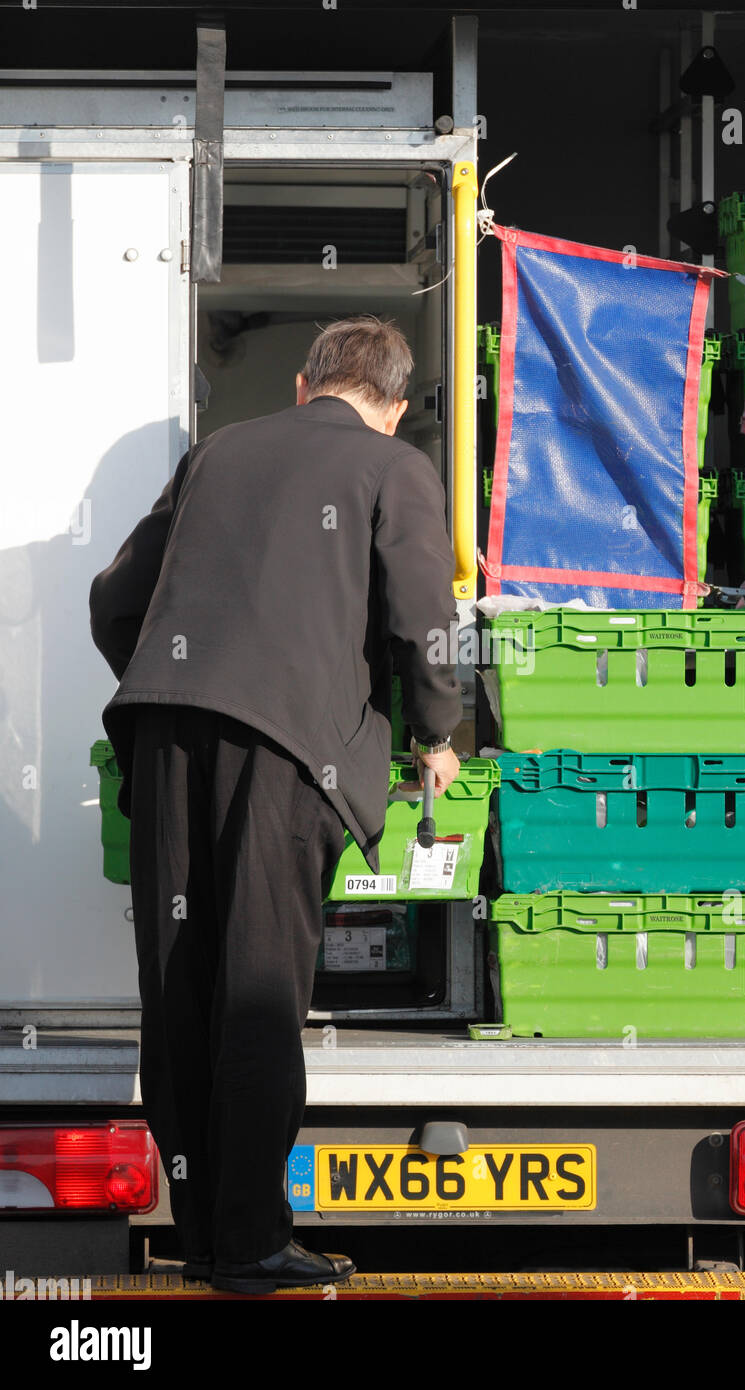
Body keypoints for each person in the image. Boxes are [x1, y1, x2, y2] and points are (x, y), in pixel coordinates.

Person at [88, 315, 462, 1294]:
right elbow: (425, 619)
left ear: (304, 385)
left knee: (181, 987)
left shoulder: (216, 453)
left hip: (166, 737)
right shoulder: (393, 468)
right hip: (283, 748)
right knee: (256, 989)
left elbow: (113, 597)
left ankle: (205, 1231)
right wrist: (436, 734)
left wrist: (183, 679)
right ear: (389, 405)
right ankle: (250, 1243)